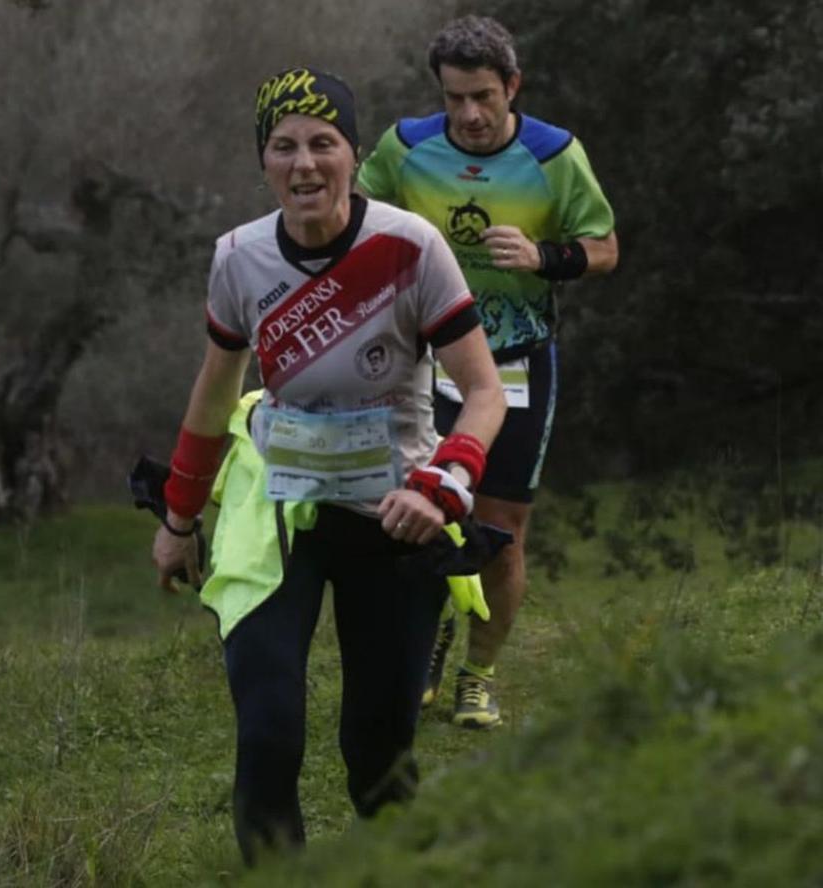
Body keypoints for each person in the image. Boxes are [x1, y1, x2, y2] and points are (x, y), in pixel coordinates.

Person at [150, 66, 506, 864]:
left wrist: (443, 486)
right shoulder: (238, 259)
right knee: (270, 730)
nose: (304, 165)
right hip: (284, 514)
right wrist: (178, 517)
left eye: (323, 144)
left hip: (396, 514)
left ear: (353, 154)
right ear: (263, 160)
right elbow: (215, 396)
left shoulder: (411, 247)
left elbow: (483, 392)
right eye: (283, 147)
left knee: (378, 756)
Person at [358, 15, 619, 728]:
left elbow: (605, 248)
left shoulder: (555, 157)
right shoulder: (406, 148)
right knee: (420, 519)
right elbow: (355, 216)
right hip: (425, 363)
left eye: (482, 97)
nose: (469, 115)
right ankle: (418, 660)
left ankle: (480, 673)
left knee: (499, 533)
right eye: (454, 99)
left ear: (513, 86)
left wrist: (545, 257)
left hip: (516, 363)